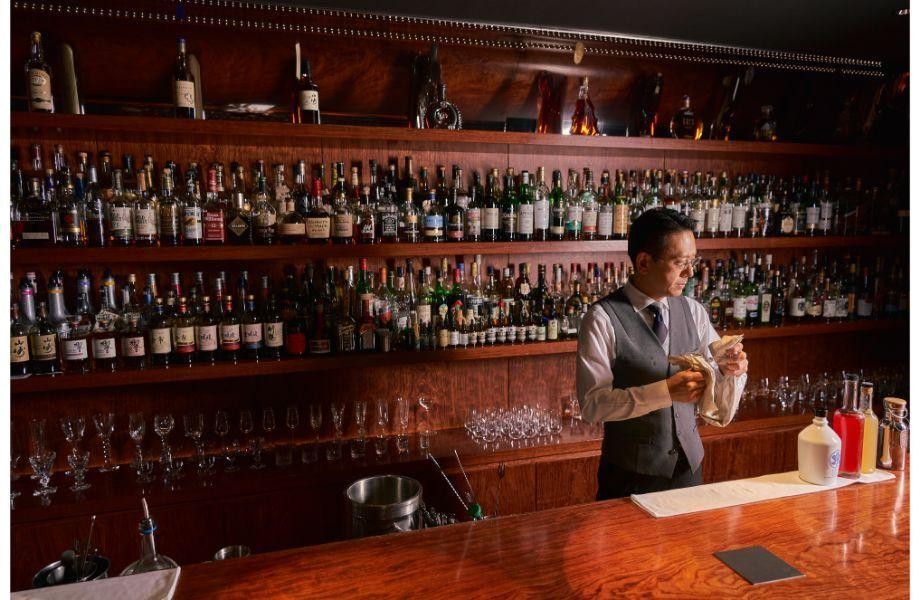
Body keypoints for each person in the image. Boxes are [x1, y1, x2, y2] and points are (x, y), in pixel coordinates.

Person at [577, 208, 748, 500]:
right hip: (630, 478)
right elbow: (593, 405)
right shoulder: (602, 318)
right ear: (644, 262)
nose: (690, 272)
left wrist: (731, 368)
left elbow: (718, 376)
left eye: (692, 262)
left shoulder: (693, 311)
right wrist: (665, 391)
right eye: (680, 262)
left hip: (688, 472)